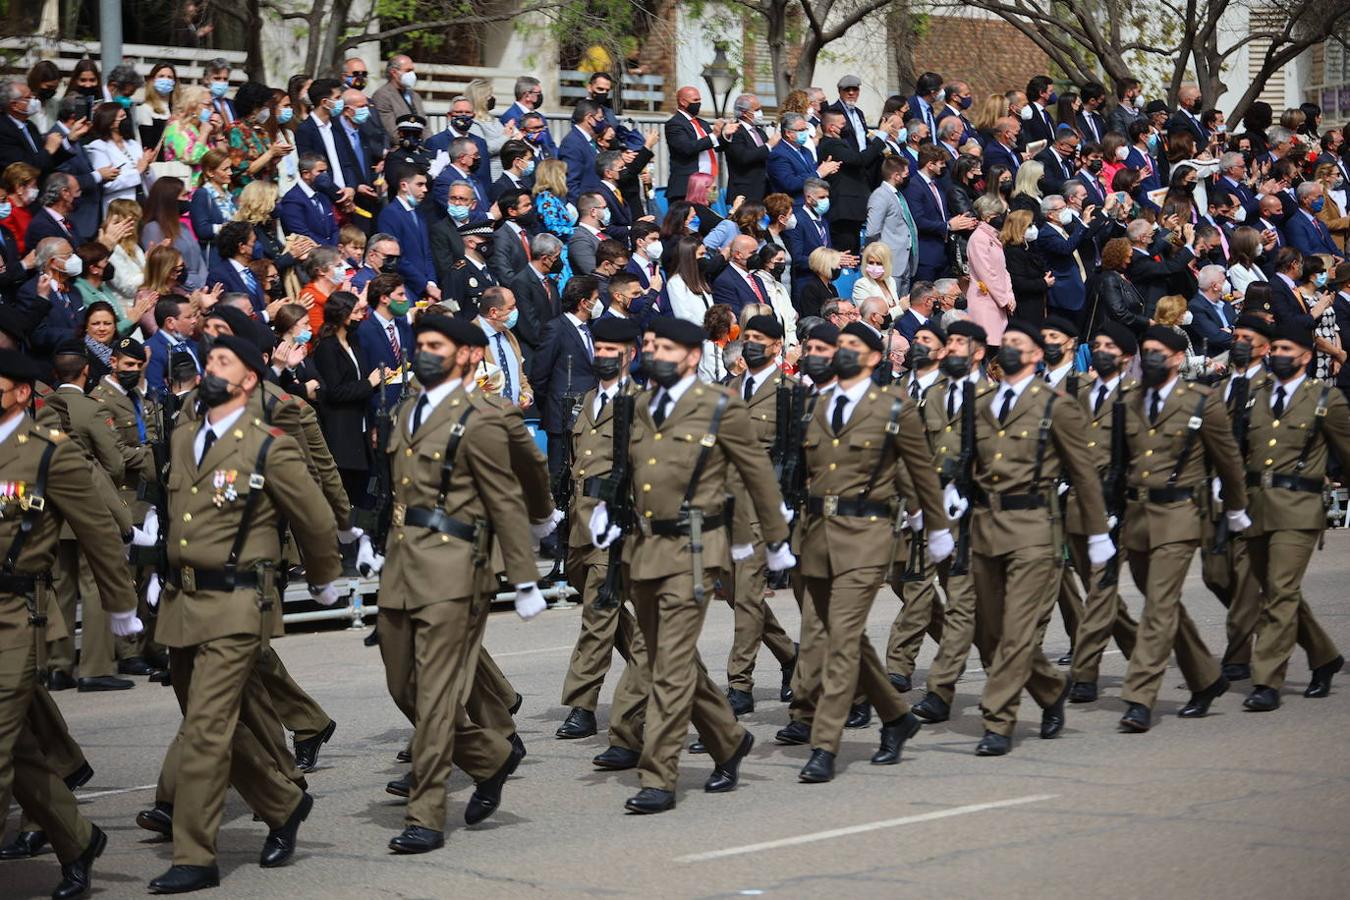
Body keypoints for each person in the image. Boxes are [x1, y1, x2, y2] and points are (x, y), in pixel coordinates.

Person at [141, 334, 338, 892]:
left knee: (205, 730)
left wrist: (323, 579)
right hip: (182, 602)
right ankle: (283, 803)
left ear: (250, 378)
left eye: (224, 361)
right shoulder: (183, 438)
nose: (211, 368)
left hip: (236, 603)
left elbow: (316, 520)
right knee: (211, 723)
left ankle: (195, 856)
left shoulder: (268, 445)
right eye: (209, 360)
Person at [584, 315, 789, 812]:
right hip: (643, 550)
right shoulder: (638, 407)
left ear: (693, 356)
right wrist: (605, 516)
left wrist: (774, 541)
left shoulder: (720, 407)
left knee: (670, 667)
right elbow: (625, 476)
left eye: (667, 348)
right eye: (651, 346)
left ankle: (658, 775)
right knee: (664, 657)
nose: (655, 354)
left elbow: (756, 475)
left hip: (696, 553)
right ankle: (728, 738)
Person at [376, 314, 543, 851]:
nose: (424, 352)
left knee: (436, 693)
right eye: (419, 343)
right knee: (402, 685)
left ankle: (425, 815)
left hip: (455, 565)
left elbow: (506, 497)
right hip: (402, 565)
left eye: (435, 344)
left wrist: (524, 577)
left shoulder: (481, 417)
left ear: (463, 354)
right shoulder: (405, 411)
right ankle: (489, 756)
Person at [0, 348, 142, 900]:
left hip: (15, 618)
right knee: (21, 753)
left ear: (20, 392)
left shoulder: (47, 454)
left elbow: (98, 533)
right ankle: (77, 839)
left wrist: (120, 605)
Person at [1115, 325, 1250, 734]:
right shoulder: (1127, 400)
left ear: (1177, 358)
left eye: (1157, 352)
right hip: (1138, 516)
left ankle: (1139, 697)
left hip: (1181, 514)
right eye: (1145, 352)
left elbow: (1227, 460)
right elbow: (1119, 462)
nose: (1149, 358)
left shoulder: (1201, 402)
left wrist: (1237, 509)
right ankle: (1206, 679)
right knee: (1165, 604)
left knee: (1157, 605)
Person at [1237, 323, 1348, 712]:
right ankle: (1325, 656)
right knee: (1276, 590)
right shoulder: (1256, 396)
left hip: (1299, 509)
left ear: (1304, 355)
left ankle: (1266, 680)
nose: (1277, 354)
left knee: (1280, 591)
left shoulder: (1325, 400)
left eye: (1286, 348)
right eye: (1275, 348)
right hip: (1257, 506)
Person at [555, 316, 649, 752]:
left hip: (615, 524)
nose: (602, 355)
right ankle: (659, 672)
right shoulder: (585, 400)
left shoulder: (640, 403)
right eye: (599, 347)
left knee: (597, 611)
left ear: (629, 354)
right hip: (579, 525)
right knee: (612, 615)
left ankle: (583, 705)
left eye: (612, 349)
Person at [722, 315, 801, 714]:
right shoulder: (728, 390)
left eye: (759, 339)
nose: (751, 344)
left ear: (775, 347)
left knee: (748, 595)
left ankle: (740, 684)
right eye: (746, 337)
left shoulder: (788, 392)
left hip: (761, 506)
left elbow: (796, 453)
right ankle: (790, 656)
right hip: (725, 506)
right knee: (736, 595)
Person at [532, 277, 599, 478]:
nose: (599, 302)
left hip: (587, 412)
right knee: (559, 473)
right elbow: (540, 374)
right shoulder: (556, 328)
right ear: (584, 303)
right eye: (596, 298)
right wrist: (554, 403)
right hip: (563, 414)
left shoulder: (588, 329)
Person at [817, 106, 889, 254]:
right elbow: (859, 160)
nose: (847, 128)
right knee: (846, 254)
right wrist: (880, 137)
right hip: (844, 211)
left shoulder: (842, 143)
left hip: (853, 211)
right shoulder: (830, 145)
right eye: (843, 125)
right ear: (831, 128)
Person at [375, 167, 440, 302]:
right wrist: (425, 286)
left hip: (425, 290)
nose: (425, 189)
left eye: (425, 185)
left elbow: (427, 254)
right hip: (405, 289)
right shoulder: (389, 214)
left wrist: (432, 283)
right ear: (404, 185)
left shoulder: (420, 214)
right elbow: (396, 259)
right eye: (419, 184)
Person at [85, 100, 153, 214]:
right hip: (119, 208)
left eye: (126, 115)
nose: (126, 120)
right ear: (110, 122)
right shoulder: (98, 147)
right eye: (122, 117)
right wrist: (137, 171)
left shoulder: (133, 144)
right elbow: (108, 184)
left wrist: (147, 167)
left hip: (142, 202)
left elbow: (146, 175)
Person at [142, 176, 208, 289]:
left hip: (199, 286)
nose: (187, 199)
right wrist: (189, 284)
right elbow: (161, 266)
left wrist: (202, 283)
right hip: (178, 289)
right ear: (170, 199)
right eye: (183, 195)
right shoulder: (153, 228)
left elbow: (198, 259)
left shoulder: (183, 226)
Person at [965, 196, 1016, 345]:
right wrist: (1004, 299)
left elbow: (1003, 270)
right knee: (988, 349)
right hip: (985, 302)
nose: (1002, 218)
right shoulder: (978, 239)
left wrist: (1009, 295)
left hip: (999, 302)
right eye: (998, 214)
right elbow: (987, 274)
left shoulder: (994, 238)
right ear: (987, 217)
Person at [664, 86, 724, 204]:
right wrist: (714, 135)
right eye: (695, 100)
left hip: (706, 185)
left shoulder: (703, 123)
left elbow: (716, 146)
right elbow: (687, 148)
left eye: (700, 100)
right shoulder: (675, 124)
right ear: (682, 102)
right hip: (686, 187)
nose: (699, 104)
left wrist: (726, 134)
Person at [278, 153, 341, 248]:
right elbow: (302, 234)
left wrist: (334, 247)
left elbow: (334, 228)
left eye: (326, 171)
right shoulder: (292, 200)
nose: (325, 175)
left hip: (331, 253)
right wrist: (329, 248)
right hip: (310, 255)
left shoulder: (323, 195)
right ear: (306, 174)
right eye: (320, 171)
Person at [189, 147, 238, 264]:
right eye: (225, 169)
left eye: (230, 168)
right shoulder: (202, 194)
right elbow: (202, 230)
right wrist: (228, 227)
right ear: (210, 172)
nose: (230, 172)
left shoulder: (228, 194)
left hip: (233, 253)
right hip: (217, 256)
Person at [724, 92, 775, 203]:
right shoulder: (735, 131)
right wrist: (769, 145)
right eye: (757, 110)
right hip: (744, 192)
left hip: (764, 190)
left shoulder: (760, 132)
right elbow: (744, 157)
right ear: (744, 113)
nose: (760, 113)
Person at [1002, 208, 1050, 324]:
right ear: (1019, 228)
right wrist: (1044, 283)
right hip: (1024, 308)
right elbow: (1019, 283)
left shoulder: (1028, 247)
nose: (1033, 228)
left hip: (1035, 303)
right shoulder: (1013, 252)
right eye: (1029, 225)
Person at [161, 85, 219, 178]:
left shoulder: (202, 127)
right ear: (192, 105)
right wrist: (204, 134)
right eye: (208, 105)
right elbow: (191, 158)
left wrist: (218, 133)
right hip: (187, 187)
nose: (213, 109)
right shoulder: (176, 127)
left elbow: (220, 159)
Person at [370, 54, 424, 139]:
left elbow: (425, 126)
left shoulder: (415, 96)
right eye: (408, 70)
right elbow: (391, 131)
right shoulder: (382, 96)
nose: (412, 74)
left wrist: (429, 145)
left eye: (412, 70)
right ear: (394, 72)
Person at [851, 241, 901, 313]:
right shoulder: (861, 285)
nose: (874, 267)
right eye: (871, 262)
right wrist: (900, 308)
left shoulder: (890, 280)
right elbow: (870, 316)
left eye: (879, 263)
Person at [798, 246, 843, 321]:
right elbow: (812, 317)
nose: (839, 268)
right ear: (825, 266)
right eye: (837, 265)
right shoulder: (811, 288)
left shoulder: (832, 288)